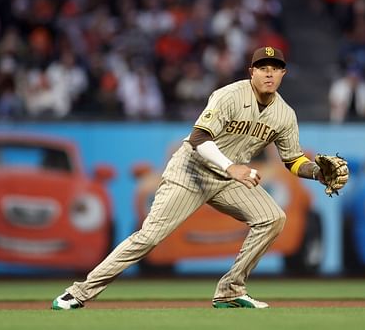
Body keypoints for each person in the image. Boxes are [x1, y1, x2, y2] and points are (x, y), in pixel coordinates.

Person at [52, 46, 328, 310]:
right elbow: (198, 138)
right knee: (148, 238)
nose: (269, 73)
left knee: (273, 218)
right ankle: (78, 292)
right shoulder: (229, 96)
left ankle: (231, 291)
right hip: (191, 172)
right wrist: (231, 167)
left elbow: (292, 160)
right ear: (251, 72)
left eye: (275, 68)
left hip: (227, 180)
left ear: (283, 74)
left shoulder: (284, 114)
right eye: (263, 68)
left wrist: (317, 172)